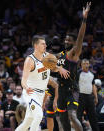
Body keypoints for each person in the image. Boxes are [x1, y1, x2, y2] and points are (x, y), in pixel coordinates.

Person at [15, 35, 69, 131]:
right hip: (31, 92)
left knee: (28, 120)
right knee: (39, 115)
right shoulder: (30, 60)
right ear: (36, 46)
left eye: (45, 44)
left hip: (41, 93)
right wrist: (26, 87)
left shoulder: (47, 56)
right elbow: (23, 79)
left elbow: (54, 67)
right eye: (43, 44)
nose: (45, 45)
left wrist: (60, 69)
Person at [56, 2, 91, 131]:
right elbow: (54, 67)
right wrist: (58, 68)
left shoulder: (74, 53)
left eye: (69, 40)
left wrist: (84, 19)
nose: (66, 41)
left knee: (71, 115)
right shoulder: (62, 55)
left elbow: (80, 37)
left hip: (72, 89)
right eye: (65, 39)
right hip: (61, 89)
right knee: (60, 117)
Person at [77, 59, 99, 131]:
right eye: (84, 64)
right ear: (81, 65)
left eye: (87, 63)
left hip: (89, 97)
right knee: (78, 116)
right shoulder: (78, 73)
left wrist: (96, 97)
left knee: (93, 117)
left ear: (89, 64)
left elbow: (93, 86)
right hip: (80, 97)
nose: (86, 65)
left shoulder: (92, 74)